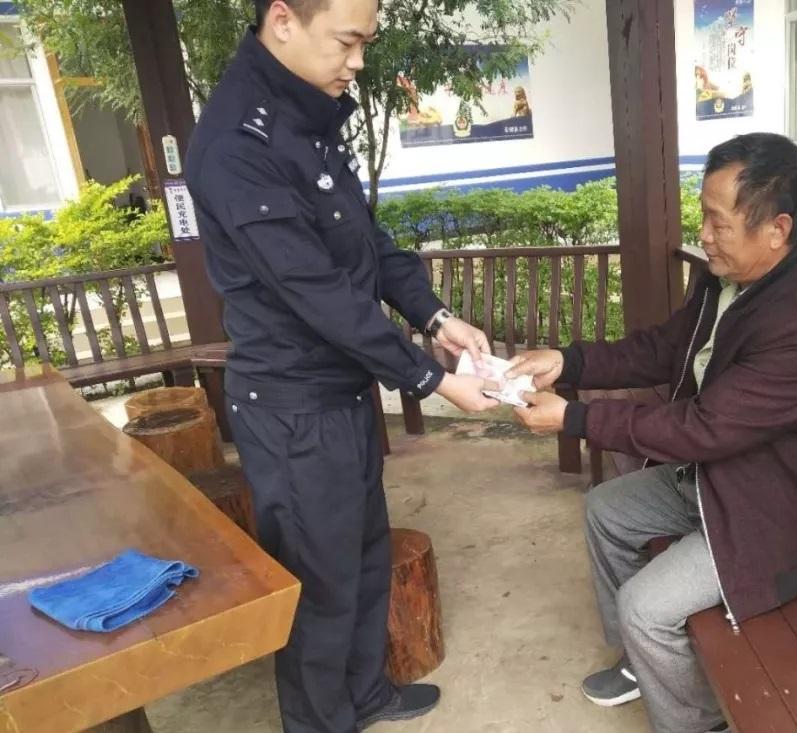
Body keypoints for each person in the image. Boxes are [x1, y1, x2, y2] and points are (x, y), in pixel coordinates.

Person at [185, 1, 499, 731]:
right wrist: (431, 379)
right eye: (347, 42)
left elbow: (364, 242)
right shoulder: (237, 144)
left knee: (361, 558)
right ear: (283, 19)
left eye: (365, 43)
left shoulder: (304, 116)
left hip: (341, 393)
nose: (357, 62)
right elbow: (316, 292)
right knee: (318, 586)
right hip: (294, 408)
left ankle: (363, 695)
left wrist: (436, 317)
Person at [508, 133, 797, 733]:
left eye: (719, 222)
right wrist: (567, 362)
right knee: (605, 511)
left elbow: (705, 427)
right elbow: (663, 350)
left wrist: (575, 418)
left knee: (645, 607)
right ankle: (643, 660)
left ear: (777, 229)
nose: (704, 234)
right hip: (725, 481)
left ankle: (695, 723)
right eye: (704, 216)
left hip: (780, 518)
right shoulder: (729, 282)